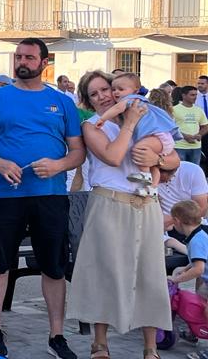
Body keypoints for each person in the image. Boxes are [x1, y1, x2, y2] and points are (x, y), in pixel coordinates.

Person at [0, 38, 85, 359]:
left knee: (54, 265)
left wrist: (58, 164)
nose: (22, 61)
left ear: (44, 63)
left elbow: (77, 150)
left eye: (30, 57)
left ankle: (56, 336)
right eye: (18, 56)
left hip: (50, 196)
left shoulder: (61, 102)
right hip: (5, 196)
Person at [66, 69, 174, 359]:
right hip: (108, 202)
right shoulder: (93, 126)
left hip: (146, 205)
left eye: (108, 89)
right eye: (95, 94)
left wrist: (158, 158)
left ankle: (150, 347)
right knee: (104, 272)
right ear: (87, 101)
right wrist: (131, 124)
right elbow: (113, 157)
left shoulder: (143, 117)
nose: (104, 96)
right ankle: (100, 343)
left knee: (150, 273)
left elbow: (172, 157)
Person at [159, 161, 208, 231]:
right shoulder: (147, 174)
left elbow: (201, 210)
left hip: (193, 225)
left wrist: (172, 220)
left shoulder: (193, 170)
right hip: (167, 228)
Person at [174, 85, 208, 165]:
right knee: (179, 170)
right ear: (184, 95)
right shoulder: (174, 109)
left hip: (196, 147)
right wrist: (184, 136)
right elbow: (170, 127)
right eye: (192, 95)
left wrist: (200, 134)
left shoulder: (199, 110)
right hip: (180, 146)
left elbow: (205, 126)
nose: (195, 97)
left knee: (195, 170)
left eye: (196, 95)